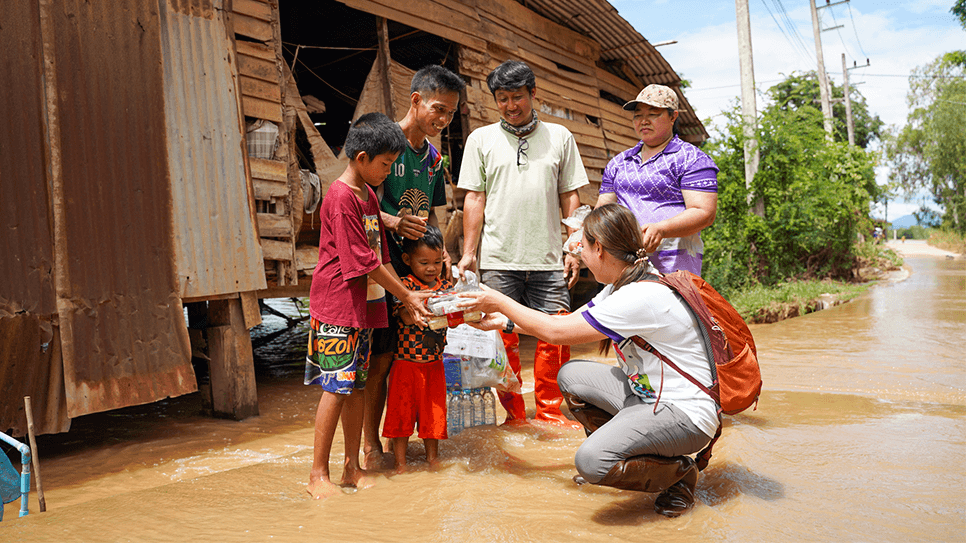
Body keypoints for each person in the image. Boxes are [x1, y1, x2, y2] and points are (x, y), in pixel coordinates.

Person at [463, 203, 719, 518]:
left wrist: (498, 299)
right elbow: (569, 322)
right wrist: (504, 322)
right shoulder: (621, 286)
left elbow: (556, 332)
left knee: (592, 461)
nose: (579, 254)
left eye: (582, 246)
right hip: (650, 398)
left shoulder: (639, 296)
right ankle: (636, 449)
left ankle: (680, 473)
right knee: (572, 376)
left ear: (598, 248)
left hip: (685, 414)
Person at [305, 112, 433, 499]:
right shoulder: (341, 197)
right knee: (335, 387)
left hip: (364, 306)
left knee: (356, 386)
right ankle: (316, 475)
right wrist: (408, 295)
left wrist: (403, 298)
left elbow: (382, 253)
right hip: (337, 306)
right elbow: (363, 261)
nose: (388, 171)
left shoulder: (368, 196)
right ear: (361, 158)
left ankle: (351, 468)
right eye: (385, 164)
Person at [457, 60, 588, 427]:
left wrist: (572, 247)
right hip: (499, 257)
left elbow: (570, 196)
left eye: (517, 97)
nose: (511, 105)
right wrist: (469, 254)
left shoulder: (560, 137)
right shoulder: (480, 139)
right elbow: (474, 199)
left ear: (534, 94)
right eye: (502, 99)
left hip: (549, 258)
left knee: (557, 331)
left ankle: (549, 412)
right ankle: (514, 414)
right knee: (501, 336)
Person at [363, 65, 466, 469]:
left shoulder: (435, 158)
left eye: (450, 115)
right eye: (438, 109)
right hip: (381, 268)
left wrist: (444, 260)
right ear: (416, 100)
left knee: (413, 355)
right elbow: (359, 196)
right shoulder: (384, 143)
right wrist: (391, 221)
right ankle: (373, 445)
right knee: (381, 358)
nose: (443, 120)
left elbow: (434, 218)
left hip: (417, 272)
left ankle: (403, 443)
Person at [596, 84, 718, 275]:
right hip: (623, 267)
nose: (643, 121)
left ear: (673, 116)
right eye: (637, 115)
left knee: (671, 304)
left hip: (674, 270)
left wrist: (661, 229)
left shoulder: (692, 158)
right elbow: (602, 211)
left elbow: (704, 212)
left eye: (653, 114)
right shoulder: (619, 163)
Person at [381, 225, 452, 471]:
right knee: (401, 415)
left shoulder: (446, 288)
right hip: (405, 365)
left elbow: (456, 316)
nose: (432, 268)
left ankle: (432, 459)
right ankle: (400, 463)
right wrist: (436, 305)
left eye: (437, 262)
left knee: (434, 416)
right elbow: (407, 317)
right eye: (424, 262)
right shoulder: (405, 287)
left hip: (434, 364)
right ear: (407, 260)